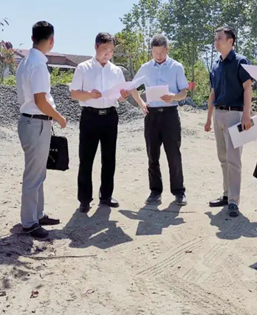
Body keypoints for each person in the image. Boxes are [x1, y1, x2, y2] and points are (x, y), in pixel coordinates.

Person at [16, 21, 67, 239]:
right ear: (51, 40)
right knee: (33, 175)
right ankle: (29, 222)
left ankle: (37, 214)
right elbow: (40, 100)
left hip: (30, 122)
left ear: (32, 38)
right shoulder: (38, 65)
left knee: (38, 172)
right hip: (37, 122)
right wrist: (59, 117)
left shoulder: (26, 61)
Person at [70, 32, 130, 213]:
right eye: (104, 49)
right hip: (90, 116)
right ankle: (84, 199)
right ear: (96, 47)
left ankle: (106, 196)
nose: (107, 54)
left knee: (109, 158)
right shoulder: (83, 68)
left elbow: (120, 97)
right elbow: (74, 94)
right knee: (86, 158)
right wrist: (89, 94)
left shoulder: (116, 71)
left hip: (110, 116)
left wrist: (123, 96)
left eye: (111, 50)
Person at [130, 34, 189, 206]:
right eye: (155, 52)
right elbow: (132, 87)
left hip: (170, 114)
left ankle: (179, 191)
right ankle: (155, 191)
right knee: (152, 155)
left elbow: (184, 92)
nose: (158, 56)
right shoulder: (146, 68)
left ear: (167, 49)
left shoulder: (176, 67)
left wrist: (174, 96)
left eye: (161, 52)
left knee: (174, 155)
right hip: (152, 115)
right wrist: (141, 103)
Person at [205, 26, 253, 217]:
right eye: (215, 38)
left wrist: (246, 115)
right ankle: (226, 195)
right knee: (223, 158)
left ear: (230, 41)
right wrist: (209, 118)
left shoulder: (241, 62)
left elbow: (248, 88)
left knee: (234, 160)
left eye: (219, 38)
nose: (216, 42)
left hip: (235, 115)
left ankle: (234, 201)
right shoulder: (215, 65)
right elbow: (213, 93)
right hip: (219, 114)